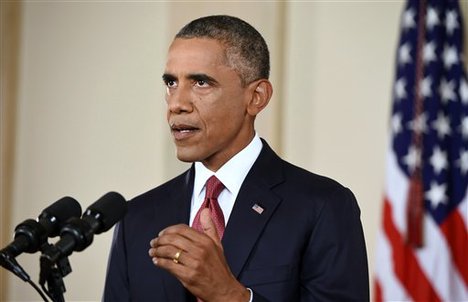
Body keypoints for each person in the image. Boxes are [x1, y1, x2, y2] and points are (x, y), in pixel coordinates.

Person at [103, 15, 369, 302]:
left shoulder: (322, 206)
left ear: (256, 97)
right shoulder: (136, 218)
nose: (177, 104)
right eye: (171, 82)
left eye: (201, 82)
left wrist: (230, 295)